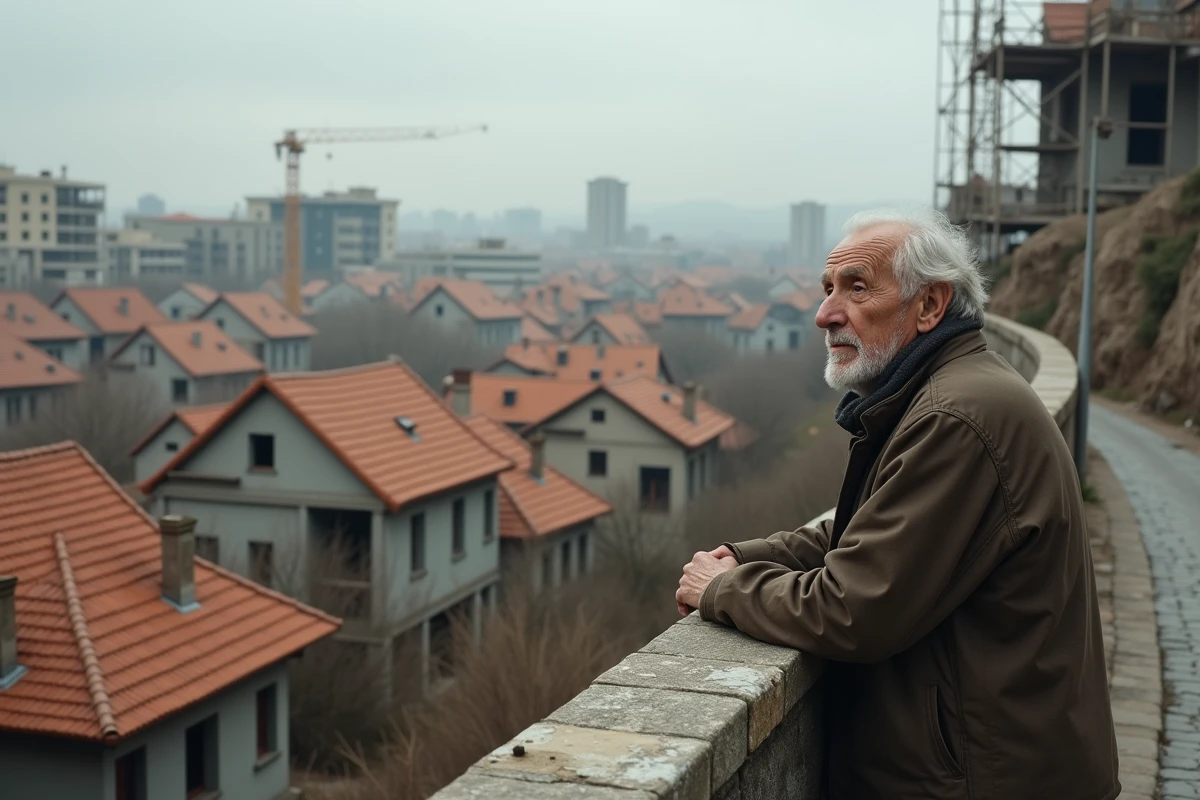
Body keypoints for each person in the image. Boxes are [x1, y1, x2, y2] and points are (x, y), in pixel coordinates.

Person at [676, 208, 1119, 800]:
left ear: (931, 306)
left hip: (985, 778)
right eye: (828, 290)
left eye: (857, 288)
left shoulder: (955, 418)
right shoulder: (954, 390)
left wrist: (721, 591)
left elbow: (854, 609)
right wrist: (744, 554)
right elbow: (867, 529)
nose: (825, 314)